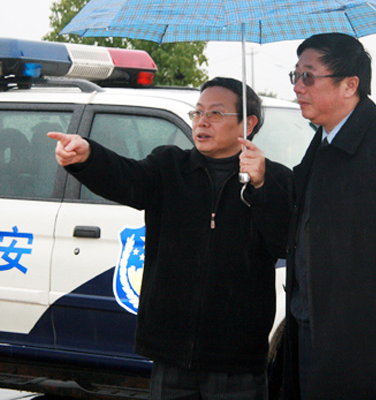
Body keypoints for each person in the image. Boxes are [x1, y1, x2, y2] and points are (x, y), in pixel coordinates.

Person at [48, 77, 292, 400]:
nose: (202, 122)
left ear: (247, 124)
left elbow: (283, 243)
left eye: (216, 113)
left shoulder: (275, 180)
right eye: (198, 112)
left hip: (237, 360)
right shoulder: (170, 166)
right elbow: (126, 177)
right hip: (171, 353)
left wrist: (261, 188)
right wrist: (88, 157)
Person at [241, 33, 376, 399]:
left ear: (350, 84)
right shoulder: (320, 145)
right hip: (313, 332)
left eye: (308, 76)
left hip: (373, 345)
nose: (298, 87)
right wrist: (260, 183)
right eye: (295, 75)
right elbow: (296, 235)